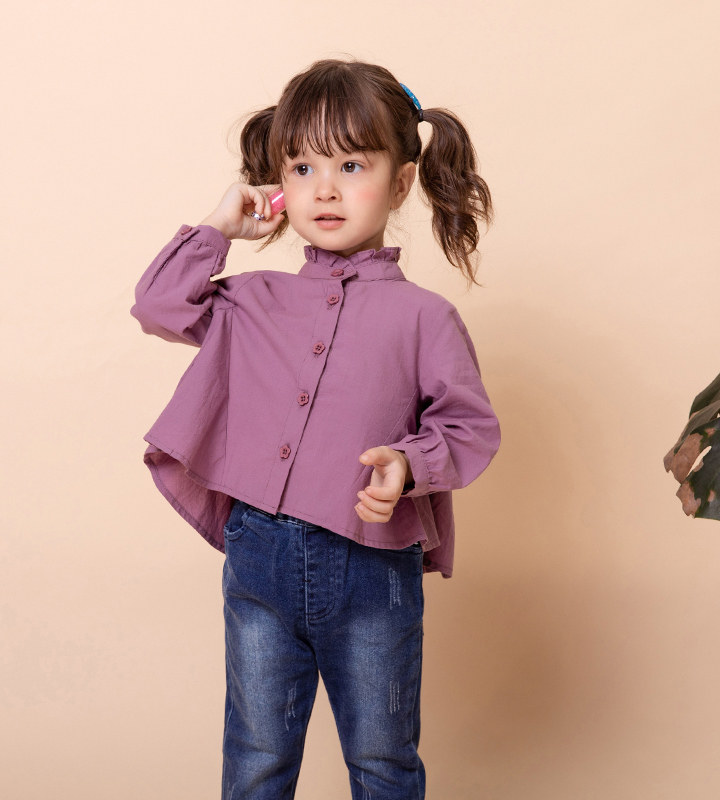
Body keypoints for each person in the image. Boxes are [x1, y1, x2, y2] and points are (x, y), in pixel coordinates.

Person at [131, 58, 501, 800]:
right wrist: (220, 226)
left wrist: (408, 463)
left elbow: (469, 425)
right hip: (258, 557)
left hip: (372, 566)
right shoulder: (250, 300)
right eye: (301, 168)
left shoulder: (425, 318)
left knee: (383, 760)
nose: (324, 189)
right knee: (257, 756)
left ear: (401, 181)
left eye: (351, 165)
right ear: (278, 186)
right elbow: (159, 305)